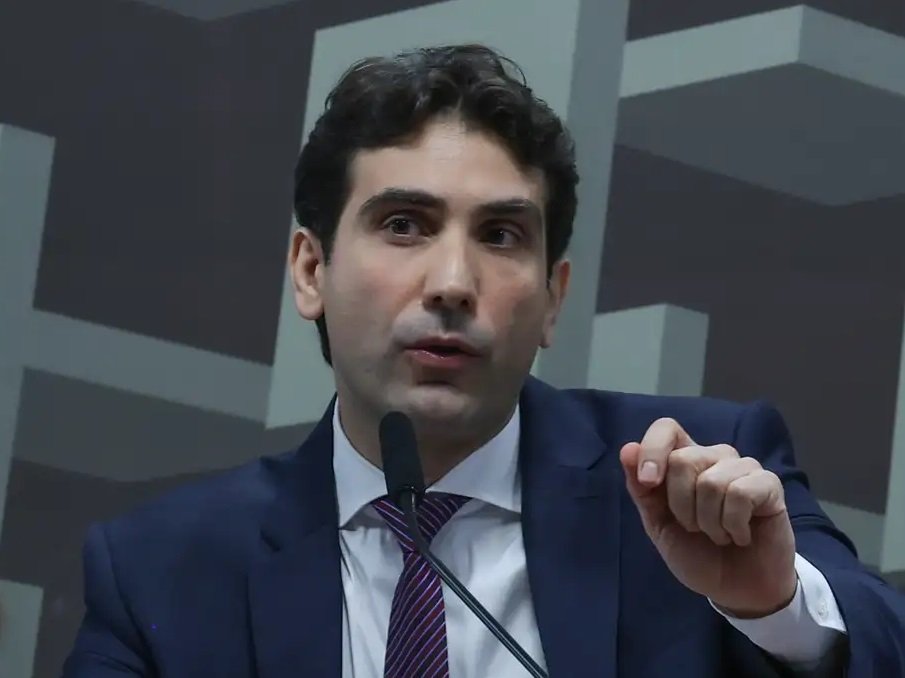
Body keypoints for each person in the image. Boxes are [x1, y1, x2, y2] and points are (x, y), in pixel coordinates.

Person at [63, 44, 905, 677]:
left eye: (500, 235)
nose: (453, 284)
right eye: (404, 225)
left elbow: (881, 641)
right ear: (311, 270)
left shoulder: (694, 477)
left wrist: (772, 604)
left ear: (552, 298)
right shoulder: (160, 571)